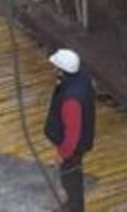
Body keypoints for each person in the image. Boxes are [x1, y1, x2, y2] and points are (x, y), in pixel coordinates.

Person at [44, 48, 95, 212]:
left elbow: (72, 134)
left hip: (72, 150)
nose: (53, 70)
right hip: (78, 145)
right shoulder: (81, 80)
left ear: (62, 71)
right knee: (71, 180)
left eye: (56, 67)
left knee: (71, 182)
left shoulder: (71, 99)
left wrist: (62, 153)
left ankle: (73, 209)